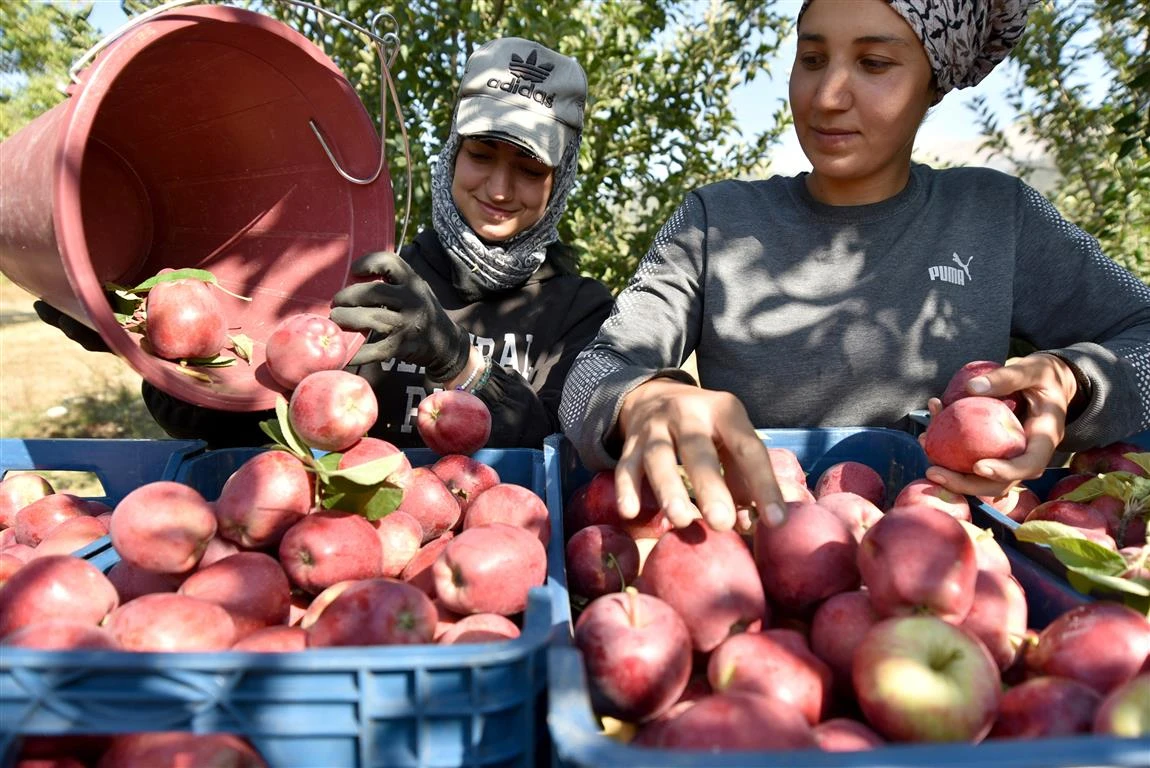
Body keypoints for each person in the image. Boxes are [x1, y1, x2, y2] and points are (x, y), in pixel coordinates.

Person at [558, 0, 1150, 534]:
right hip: (759, 552)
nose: (827, 96)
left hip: (960, 564)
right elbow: (595, 372)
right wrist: (643, 399)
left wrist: (1076, 380)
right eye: (812, 58)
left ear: (933, 84)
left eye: (873, 63)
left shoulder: (999, 217)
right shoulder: (715, 221)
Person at [36, 36, 614, 450]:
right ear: (451, 156)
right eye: (481, 155)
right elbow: (252, 428)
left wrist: (457, 359)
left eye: (530, 167)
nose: (499, 187)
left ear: (558, 182)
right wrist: (160, 351)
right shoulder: (376, 279)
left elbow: (563, 455)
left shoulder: (579, 310)